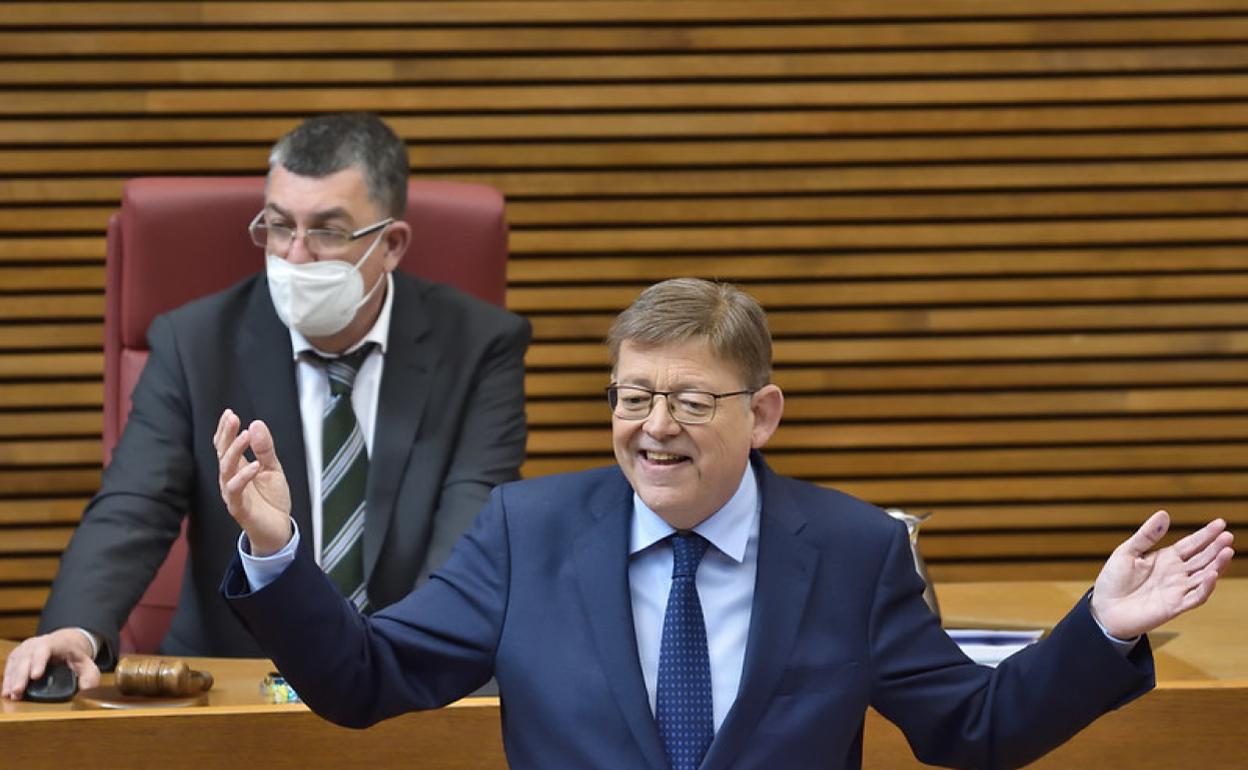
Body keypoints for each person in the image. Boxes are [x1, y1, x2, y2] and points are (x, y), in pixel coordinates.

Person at [217, 278, 1231, 769]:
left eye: (692, 402)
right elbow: (363, 680)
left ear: (765, 412)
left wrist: (1101, 629)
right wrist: (275, 549)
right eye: (631, 397)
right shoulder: (527, 529)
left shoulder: (851, 548)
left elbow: (973, 727)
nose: (654, 428)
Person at [2, 113, 530, 700]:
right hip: (229, 683)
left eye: (327, 231)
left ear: (391, 244)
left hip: (407, 677)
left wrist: (383, 681)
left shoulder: (480, 345)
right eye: (280, 228)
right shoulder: (194, 341)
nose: (296, 257)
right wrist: (75, 629)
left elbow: (469, 525)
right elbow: (134, 506)